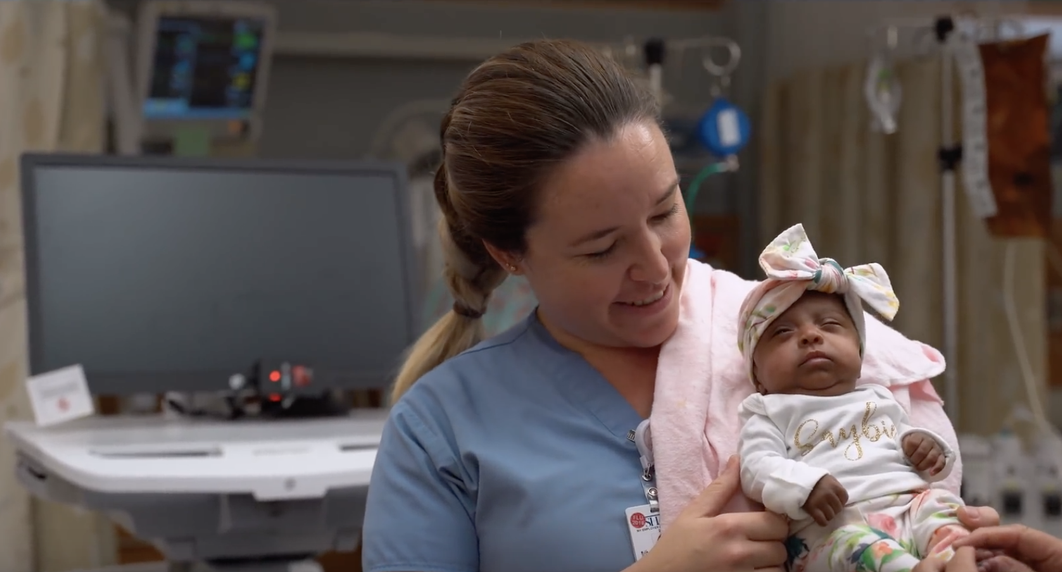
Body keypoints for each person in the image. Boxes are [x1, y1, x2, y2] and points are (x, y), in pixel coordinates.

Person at [361, 38, 998, 572]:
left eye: (665, 210)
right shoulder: (442, 428)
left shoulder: (781, 327)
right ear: (509, 254)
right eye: (602, 248)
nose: (657, 263)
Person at [735, 224, 968, 572]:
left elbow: (916, 455)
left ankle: (962, 560)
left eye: (829, 325)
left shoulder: (878, 398)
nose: (811, 335)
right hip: (829, 530)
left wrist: (926, 448)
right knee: (852, 545)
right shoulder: (768, 410)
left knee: (944, 507)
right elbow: (756, 467)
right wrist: (805, 485)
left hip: (909, 506)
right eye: (783, 332)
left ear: (859, 356)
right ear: (759, 375)